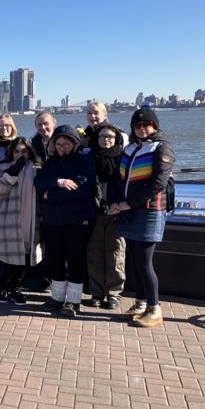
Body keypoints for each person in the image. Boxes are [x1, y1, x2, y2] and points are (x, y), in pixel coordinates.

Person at [110, 108, 175, 328]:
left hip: (150, 210)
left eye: (146, 124)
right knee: (135, 261)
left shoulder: (161, 147)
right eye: (138, 125)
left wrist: (127, 203)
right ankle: (140, 303)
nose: (142, 128)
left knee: (145, 263)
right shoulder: (130, 148)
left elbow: (158, 183)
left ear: (154, 125)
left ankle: (155, 309)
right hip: (129, 210)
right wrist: (116, 203)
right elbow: (119, 179)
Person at [34, 125, 96, 317]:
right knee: (56, 258)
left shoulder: (84, 160)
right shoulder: (50, 162)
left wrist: (50, 195)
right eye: (58, 144)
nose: (62, 147)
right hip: (53, 220)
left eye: (66, 143)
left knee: (76, 258)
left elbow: (81, 189)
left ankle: (73, 301)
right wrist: (59, 183)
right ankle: (57, 297)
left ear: (74, 143)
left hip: (77, 220)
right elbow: (38, 184)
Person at [0, 138, 43, 306]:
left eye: (24, 151)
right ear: (11, 152)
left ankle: (16, 288)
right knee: (8, 256)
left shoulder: (37, 168)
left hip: (30, 218)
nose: (20, 155)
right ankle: (4, 286)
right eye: (16, 151)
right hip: (8, 218)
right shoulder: (2, 168)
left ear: (29, 152)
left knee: (26, 256)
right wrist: (12, 172)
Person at [86, 123, 126, 309]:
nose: (106, 139)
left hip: (117, 211)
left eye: (110, 136)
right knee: (95, 253)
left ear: (117, 139)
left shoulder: (123, 159)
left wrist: (119, 205)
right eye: (102, 136)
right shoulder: (90, 157)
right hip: (95, 211)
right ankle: (96, 292)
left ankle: (113, 293)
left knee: (116, 252)